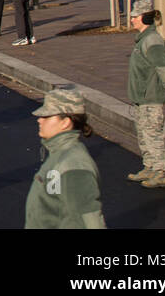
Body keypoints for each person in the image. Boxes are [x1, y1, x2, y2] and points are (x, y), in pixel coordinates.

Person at [24, 87, 106, 229]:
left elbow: (90, 222)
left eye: (47, 116)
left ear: (65, 122)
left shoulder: (74, 164)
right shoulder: (60, 155)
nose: (40, 120)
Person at [127, 0, 165, 189]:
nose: (132, 20)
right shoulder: (143, 39)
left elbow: (163, 66)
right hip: (141, 97)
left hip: (151, 97)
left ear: (144, 18)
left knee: (153, 134)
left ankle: (159, 172)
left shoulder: (152, 40)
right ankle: (149, 166)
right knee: (143, 134)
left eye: (134, 17)